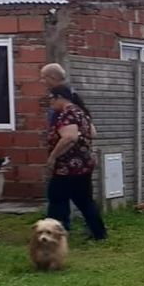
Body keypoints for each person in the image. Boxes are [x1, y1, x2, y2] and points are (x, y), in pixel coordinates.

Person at [44, 85, 108, 241]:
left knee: (57, 200)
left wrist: (53, 156)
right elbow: (93, 133)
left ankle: (53, 236)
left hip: (67, 167)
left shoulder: (67, 114)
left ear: (59, 97)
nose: (50, 103)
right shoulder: (81, 112)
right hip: (84, 165)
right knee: (84, 200)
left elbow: (69, 137)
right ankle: (99, 233)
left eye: (51, 99)